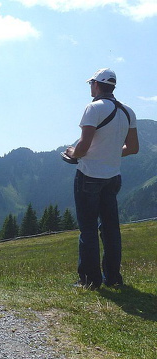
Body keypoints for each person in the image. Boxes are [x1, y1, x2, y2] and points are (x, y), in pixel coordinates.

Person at [65, 68, 139, 289]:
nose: (90, 87)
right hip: (113, 177)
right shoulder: (128, 112)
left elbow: (83, 147)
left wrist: (71, 153)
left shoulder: (93, 108)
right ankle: (113, 278)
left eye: (91, 83)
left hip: (89, 176)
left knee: (87, 229)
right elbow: (133, 148)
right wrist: (112, 151)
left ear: (97, 85)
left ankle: (90, 280)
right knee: (110, 229)